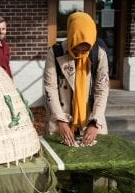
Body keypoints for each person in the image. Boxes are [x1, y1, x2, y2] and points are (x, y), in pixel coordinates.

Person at [44, 12, 109, 147]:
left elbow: (102, 90)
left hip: (90, 117)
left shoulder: (99, 54)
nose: (80, 54)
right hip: (61, 116)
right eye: (76, 49)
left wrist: (95, 122)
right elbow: (50, 87)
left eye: (85, 50)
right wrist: (60, 120)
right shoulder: (55, 52)